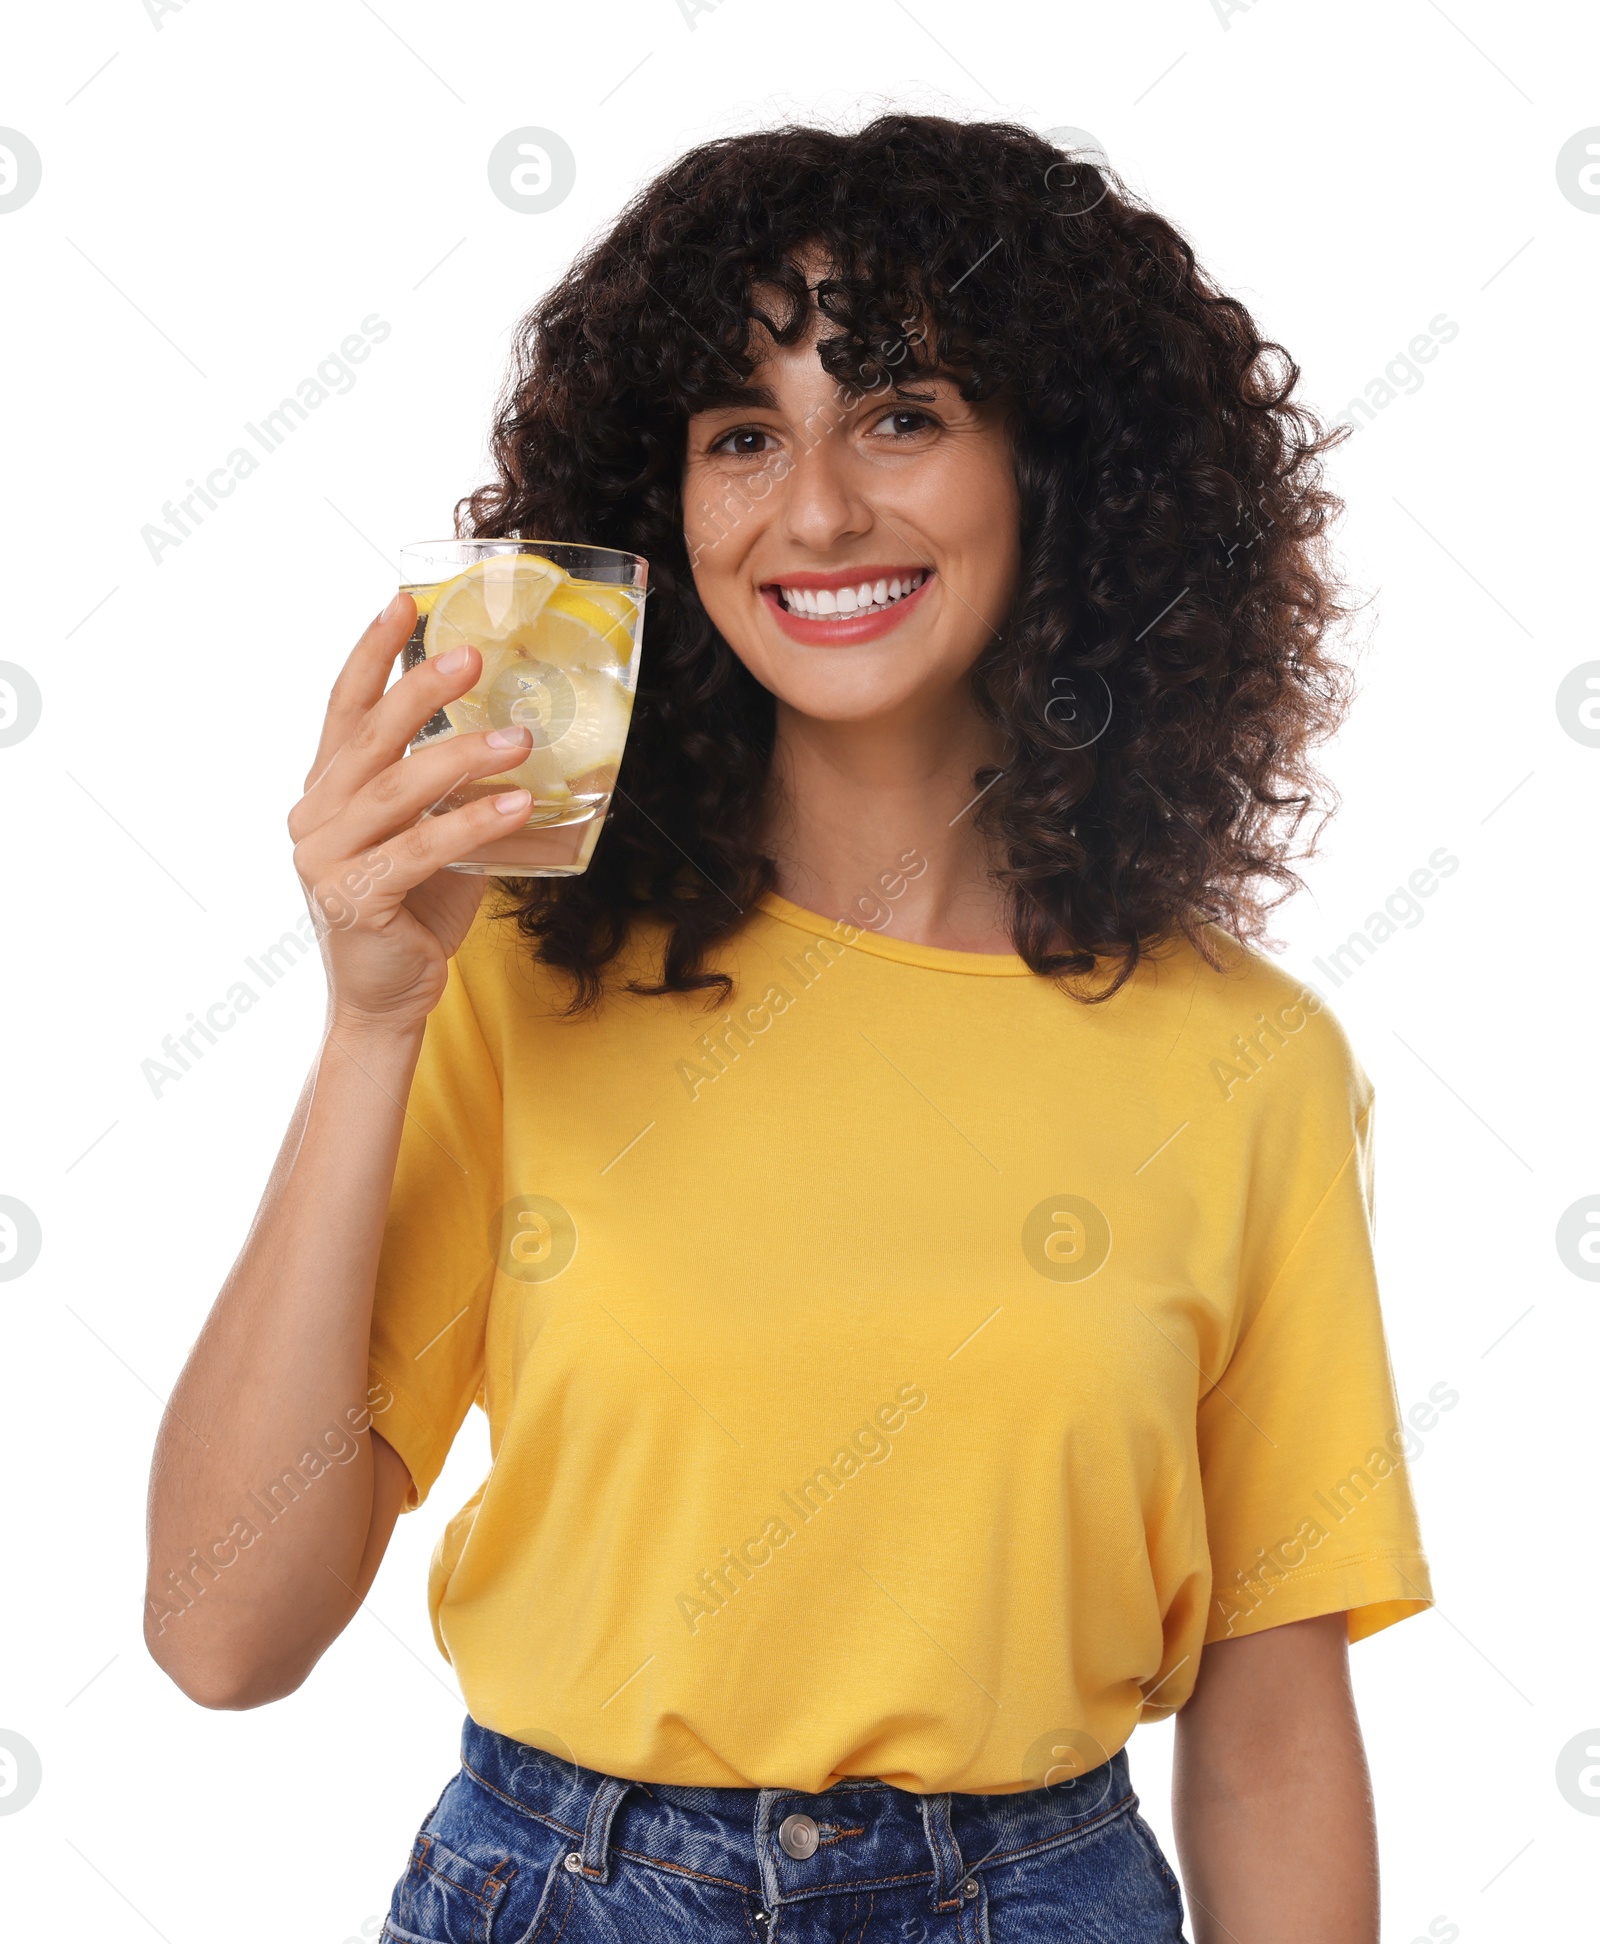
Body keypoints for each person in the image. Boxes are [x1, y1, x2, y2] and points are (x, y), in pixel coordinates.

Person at [144, 115, 1433, 1943]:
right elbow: (221, 1634)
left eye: (899, 413)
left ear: (1050, 466)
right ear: (663, 502)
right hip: (566, 1893)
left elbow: (1276, 1728)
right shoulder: (511, 981)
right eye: (742, 435)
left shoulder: (1248, 1064)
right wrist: (372, 1023)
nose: (815, 510)